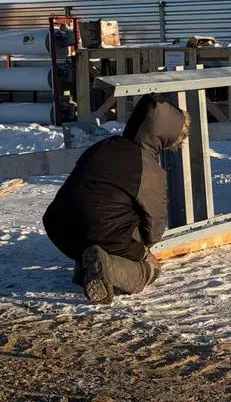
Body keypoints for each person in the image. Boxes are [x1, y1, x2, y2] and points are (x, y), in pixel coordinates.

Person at [43, 93, 189, 304]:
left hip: (59, 228)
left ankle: (87, 267)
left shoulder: (104, 145)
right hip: (99, 233)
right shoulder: (148, 168)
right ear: (166, 137)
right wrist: (141, 250)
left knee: (97, 219)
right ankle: (109, 269)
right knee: (150, 267)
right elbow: (154, 227)